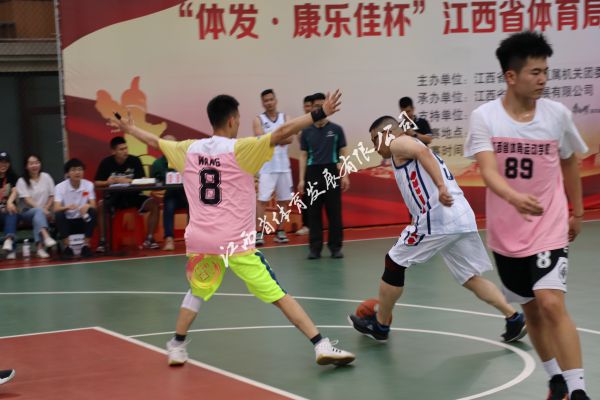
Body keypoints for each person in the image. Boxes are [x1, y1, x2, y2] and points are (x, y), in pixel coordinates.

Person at [109, 91, 355, 367]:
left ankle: (176, 345)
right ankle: (321, 345)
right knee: (278, 294)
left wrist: (129, 128)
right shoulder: (241, 149)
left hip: (202, 241)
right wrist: (320, 113)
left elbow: (154, 141)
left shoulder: (190, 149)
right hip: (235, 243)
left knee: (197, 291)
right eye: (238, 118)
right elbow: (282, 131)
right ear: (231, 120)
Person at [464, 32, 590, 400]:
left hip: (548, 226)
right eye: (535, 72)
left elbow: (569, 161)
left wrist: (577, 212)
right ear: (511, 76)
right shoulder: (485, 117)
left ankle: (578, 390)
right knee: (532, 311)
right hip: (506, 233)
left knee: (551, 302)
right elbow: (488, 172)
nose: (543, 79)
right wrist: (513, 197)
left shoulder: (557, 116)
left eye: (545, 71)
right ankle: (555, 380)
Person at [348, 115, 527, 345]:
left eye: (375, 139)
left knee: (394, 262)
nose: (374, 146)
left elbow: (423, 153)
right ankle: (514, 318)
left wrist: (441, 187)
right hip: (460, 215)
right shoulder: (405, 146)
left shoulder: (398, 143)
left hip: (437, 217)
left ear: (387, 134)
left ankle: (380, 325)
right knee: (469, 277)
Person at [299, 93, 349, 259]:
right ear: (312, 108)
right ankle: (315, 249)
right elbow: (303, 156)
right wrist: (301, 179)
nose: (320, 108)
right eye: (316, 106)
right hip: (313, 174)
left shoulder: (337, 130)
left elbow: (343, 153)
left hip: (331, 173)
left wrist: (344, 175)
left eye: (322, 105)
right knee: (313, 213)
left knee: (334, 213)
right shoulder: (306, 131)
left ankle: (335, 247)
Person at [94, 136, 160, 252]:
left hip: (133, 196)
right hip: (114, 198)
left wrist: (129, 181)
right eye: (121, 149)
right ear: (113, 151)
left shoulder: (135, 160)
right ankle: (103, 242)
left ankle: (150, 239)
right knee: (100, 206)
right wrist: (107, 182)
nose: (125, 151)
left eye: (126, 148)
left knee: (154, 204)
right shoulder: (106, 163)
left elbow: (142, 180)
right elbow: (97, 182)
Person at [252, 89, 293, 246]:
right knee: (262, 201)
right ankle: (259, 233)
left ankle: (280, 231)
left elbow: (291, 138)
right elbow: (261, 140)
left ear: (275, 100)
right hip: (267, 167)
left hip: (284, 167)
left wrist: (272, 138)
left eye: (271, 99)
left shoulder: (285, 117)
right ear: (262, 103)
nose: (269, 102)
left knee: (283, 201)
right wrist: (280, 137)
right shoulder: (259, 119)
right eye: (266, 100)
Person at [150, 134, 188, 251]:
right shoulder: (157, 164)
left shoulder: (186, 160)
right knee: (169, 205)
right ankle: (169, 239)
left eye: (174, 145)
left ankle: (193, 237)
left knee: (196, 205)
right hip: (171, 195)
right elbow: (155, 184)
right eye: (168, 145)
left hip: (186, 194)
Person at [15, 154, 57, 259]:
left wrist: (46, 208)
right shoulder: (21, 180)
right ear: (26, 166)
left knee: (38, 217)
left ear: (40, 164)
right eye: (31, 163)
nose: (34, 165)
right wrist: (41, 209)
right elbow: (27, 200)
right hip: (26, 212)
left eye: (36, 162)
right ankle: (46, 237)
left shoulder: (46, 177)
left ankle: (40, 249)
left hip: (45, 211)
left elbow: (52, 195)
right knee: (38, 213)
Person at [54, 158, 96, 258]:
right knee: (59, 214)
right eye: (73, 170)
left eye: (80, 169)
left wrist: (87, 205)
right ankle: (67, 247)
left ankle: (86, 246)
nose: (77, 172)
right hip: (68, 221)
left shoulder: (88, 185)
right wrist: (67, 207)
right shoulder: (60, 187)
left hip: (83, 219)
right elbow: (56, 208)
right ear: (67, 173)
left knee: (93, 211)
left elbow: (94, 205)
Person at [294, 94, 314, 236]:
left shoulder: (320, 122)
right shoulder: (301, 124)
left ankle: (317, 224)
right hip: (307, 165)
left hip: (319, 165)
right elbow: (301, 143)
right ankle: (306, 225)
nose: (308, 108)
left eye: (310, 106)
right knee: (306, 196)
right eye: (306, 106)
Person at [0, 152, 19, 260]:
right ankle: (10, 245)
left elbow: (14, 191)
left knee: (11, 212)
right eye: (1, 162)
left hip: (9, 212)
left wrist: (9, 202)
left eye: (6, 162)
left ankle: (9, 242)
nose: (3, 165)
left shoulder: (12, 177)